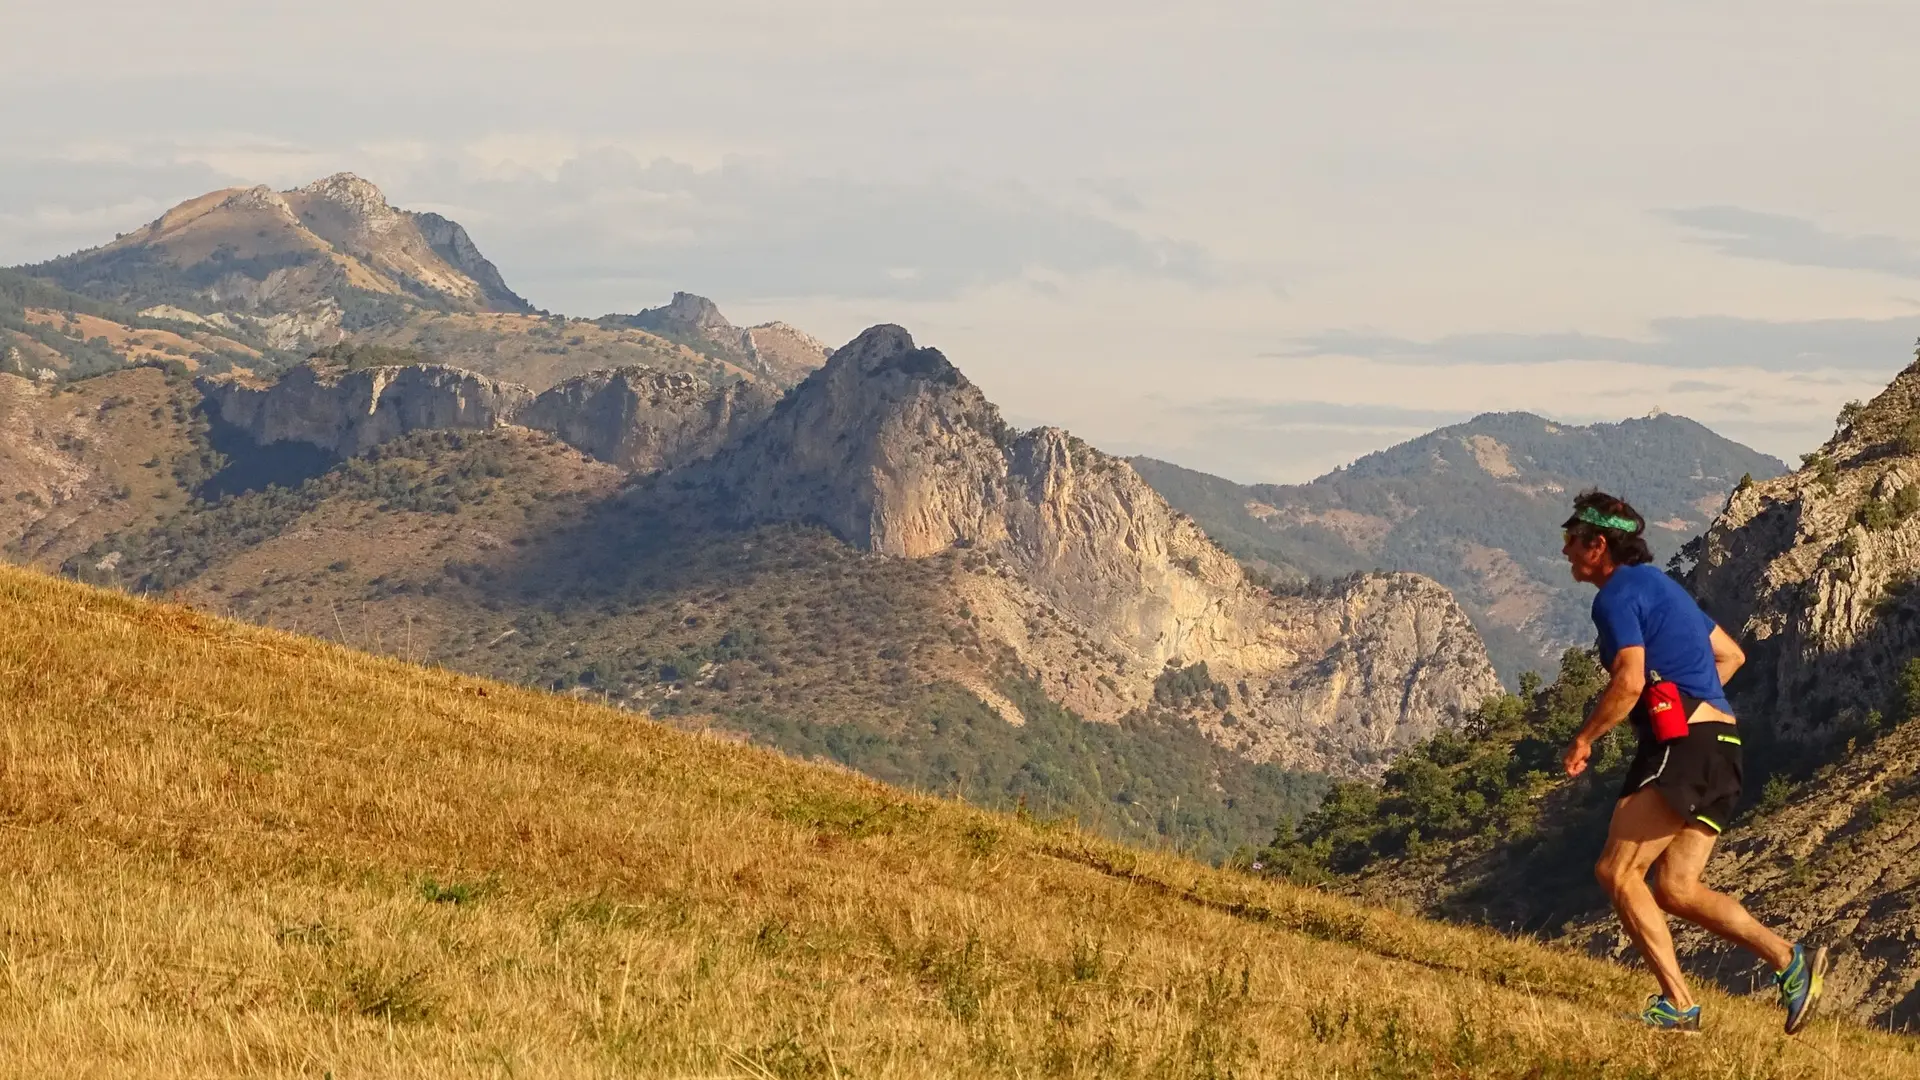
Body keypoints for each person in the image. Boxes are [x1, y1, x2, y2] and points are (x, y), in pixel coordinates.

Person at [1558, 490, 1824, 1034]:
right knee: (1676, 889)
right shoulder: (1662, 588)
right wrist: (1694, 699)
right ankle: (1788, 961)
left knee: (1617, 870)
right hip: (1723, 750)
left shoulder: (1614, 596)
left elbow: (1629, 681)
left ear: (1598, 545)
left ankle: (1678, 1004)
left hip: (1685, 749)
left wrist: (1585, 737)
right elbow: (1731, 655)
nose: (1565, 551)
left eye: (1571, 540)